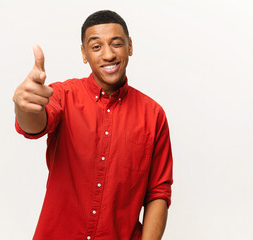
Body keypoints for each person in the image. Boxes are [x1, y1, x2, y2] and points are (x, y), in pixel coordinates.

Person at [12, 10, 173, 240]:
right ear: (84, 53)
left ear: (130, 47)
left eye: (116, 44)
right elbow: (34, 125)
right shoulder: (62, 95)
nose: (108, 54)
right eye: (96, 47)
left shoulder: (153, 115)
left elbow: (158, 191)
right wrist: (24, 107)